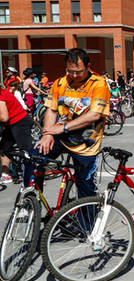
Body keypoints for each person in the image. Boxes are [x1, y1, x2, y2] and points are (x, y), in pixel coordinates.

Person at [25, 48, 110, 199]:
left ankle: (87, 222)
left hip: (85, 145)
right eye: (70, 71)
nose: (74, 75)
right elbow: (51, 109)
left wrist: (62, 128)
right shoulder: (59, 83)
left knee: (86, 189)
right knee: (32, 156)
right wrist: (47, 134)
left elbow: (94, 114)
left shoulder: (99, 84)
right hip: (59, 137)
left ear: (88, 67)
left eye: (79, 71)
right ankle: (31, 202)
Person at [0, 82, 34, 183]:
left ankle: (34, 175)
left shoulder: (1, 96)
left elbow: (4, 117)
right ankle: (6, 175)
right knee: (3, 149)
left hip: (20, 122)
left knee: (26, 150)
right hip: (11, 124)